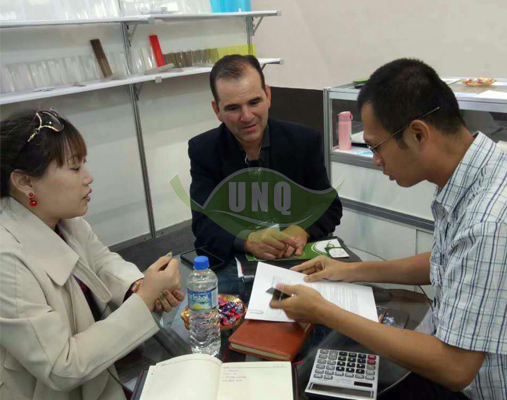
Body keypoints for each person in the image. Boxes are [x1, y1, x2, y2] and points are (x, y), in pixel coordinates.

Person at [270, 58, 507, 400]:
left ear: (418, 133)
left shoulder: (490, 221)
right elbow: (450, 259)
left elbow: (456, 368)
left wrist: (324, 311)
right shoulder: (478, 170)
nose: (376, 160)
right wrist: (349, 271)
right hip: (441, 345)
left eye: (376, 146)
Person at [0, 109, 185, 400]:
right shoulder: (7, 260)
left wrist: (136, 286)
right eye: (74, 168)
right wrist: (145, 299)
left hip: (101, 380)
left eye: (83, 164)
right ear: (25, 182)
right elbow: (62, 365)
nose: (88, 177)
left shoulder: (63, 219)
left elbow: (100, 261)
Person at [189, 54, 343, 272]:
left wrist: (302, 229)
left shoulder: (304, 141)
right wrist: (247, 240)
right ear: (217, 110)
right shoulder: (203, 149)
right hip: (235, 263)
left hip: (296, 258)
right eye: (233, 108)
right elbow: (203, 223)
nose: (246, 116)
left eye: (254, 102)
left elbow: (328, 205)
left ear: (268, 95)